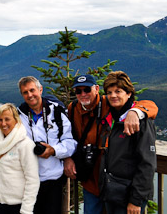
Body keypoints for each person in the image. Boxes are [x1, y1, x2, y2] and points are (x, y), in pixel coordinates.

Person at [63, 74, 158, 214]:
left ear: (96, 89)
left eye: (87, 90)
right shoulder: (74, 108)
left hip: (119, 188)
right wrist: (67, 158)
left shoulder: (110, 105)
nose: (83, 94)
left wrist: (135, 111)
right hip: (93, 181)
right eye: (78, 91)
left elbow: (151, 106)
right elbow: (66, 137)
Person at [17, 76, 77, 214]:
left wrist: (54, 150)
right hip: (28, 180)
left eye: (32, 90)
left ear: (40, 89)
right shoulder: (18, 116)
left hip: (53, 179)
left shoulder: (57, 112)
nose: (30, 95)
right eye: (25, 92)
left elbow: (70, 141)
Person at [99, 71, 156, 214]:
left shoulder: (140, 122)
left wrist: (136, 200)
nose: (113, 96)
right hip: (112, 191)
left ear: (129, 93)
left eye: (118, 91)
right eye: (109, 92)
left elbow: (147, 163)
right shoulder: (111, 117)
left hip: (129, 196)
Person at [0, 103, 40, 214]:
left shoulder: (25, 145)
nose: (3, 124)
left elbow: (32, 180)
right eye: (0, 120)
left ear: (16, 120)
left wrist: (26, 209)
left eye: (7, 119)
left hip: (16, 205)